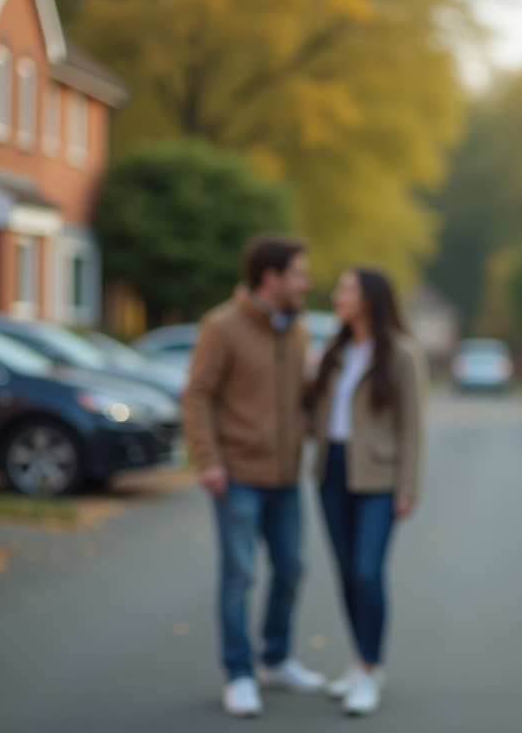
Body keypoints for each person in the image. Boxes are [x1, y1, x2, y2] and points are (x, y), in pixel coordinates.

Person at [182, 233, 328, 718]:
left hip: (285, 477)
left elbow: (302, 398)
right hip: (238, 474)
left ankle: (276, 660)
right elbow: (198, 394)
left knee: (291, 570)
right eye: (298, 274)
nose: (306, 282)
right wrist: (209, 460)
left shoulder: (297, 330)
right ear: (271, 277)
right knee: (238, 575)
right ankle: (239, 673)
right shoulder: (222, 326)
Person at [306, 268, 427, 716]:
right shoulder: (334, 349)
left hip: (379, 477)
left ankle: (369, 668)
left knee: (365, 572)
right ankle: (361, 665)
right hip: (332, 471)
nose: (337, 295)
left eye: (346, 289)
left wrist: (408, 487)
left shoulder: (401, 352)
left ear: (370, 299)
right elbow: (313, 411)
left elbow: (413, 425)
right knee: (345, 573)